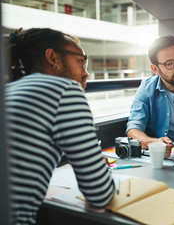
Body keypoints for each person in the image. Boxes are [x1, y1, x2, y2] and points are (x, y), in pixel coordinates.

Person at [5, 28, 115, 225]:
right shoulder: (65, 90)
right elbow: (100, 194)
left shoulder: (10, 90)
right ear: (52, 58)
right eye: (81, 61)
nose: (86, 73)